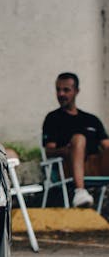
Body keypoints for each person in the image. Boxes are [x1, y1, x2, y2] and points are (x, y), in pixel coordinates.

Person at [42, 72, 109, 207]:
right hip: (68, 168)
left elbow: (106, 146)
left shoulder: (92, 119)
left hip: (95, 167)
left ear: (76, 91)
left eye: (66, 90)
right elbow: (49, 151)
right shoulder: (53, 118)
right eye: (58, 90)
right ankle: (80, 191)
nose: (61, 94)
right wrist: (68, 150)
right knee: (79, 139)